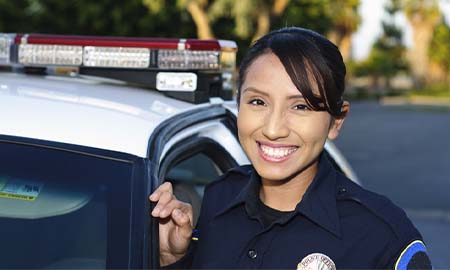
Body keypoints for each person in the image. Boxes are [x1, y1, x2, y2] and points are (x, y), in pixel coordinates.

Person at [149, 27, 432, 269]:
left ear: (336, 121)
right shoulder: (218, 198)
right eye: (258, 102)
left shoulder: (382, 236)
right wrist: (174, 258)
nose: (273, 129)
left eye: (300, 106)